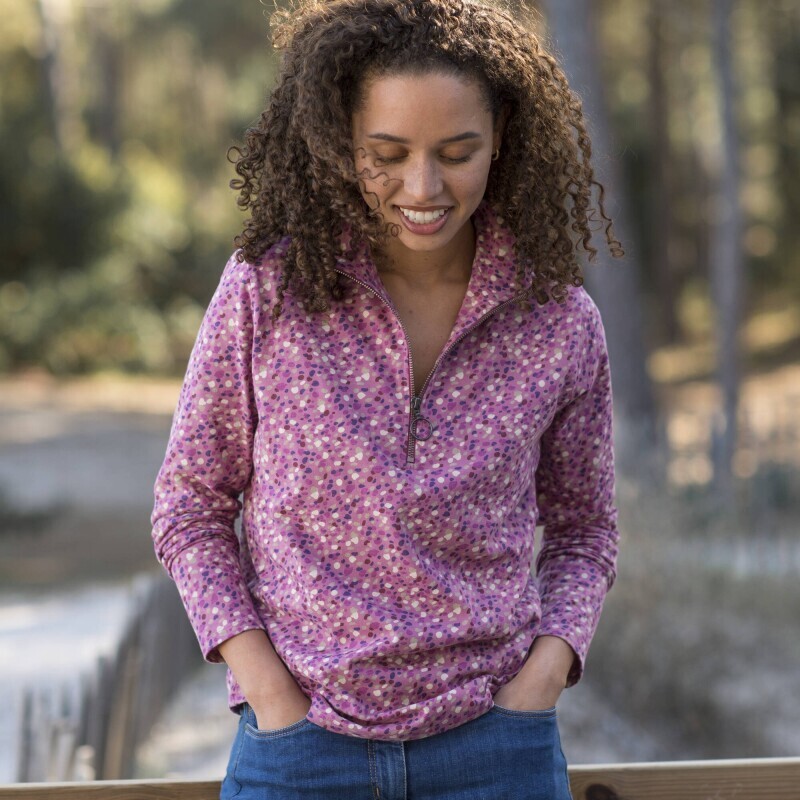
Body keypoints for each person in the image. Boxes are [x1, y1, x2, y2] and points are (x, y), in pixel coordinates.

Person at [151, 0, 624, 797]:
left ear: (501, 135)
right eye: (389, 152)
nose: (424, 185)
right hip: (298, 753)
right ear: (342, 142)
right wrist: (270, 694)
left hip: (495, 753)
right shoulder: (269, 290)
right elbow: (190, 507)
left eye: (457, 151)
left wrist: (540, 682)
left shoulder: (559, 322)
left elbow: (585, 532)